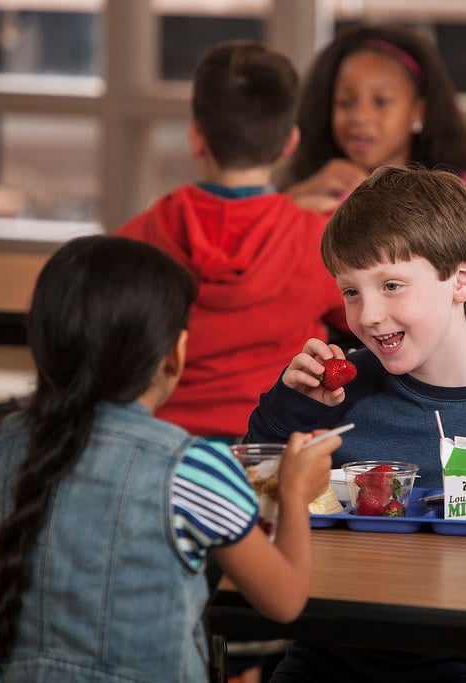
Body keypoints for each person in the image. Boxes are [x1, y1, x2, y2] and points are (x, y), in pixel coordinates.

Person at [248, 165, 466, 682]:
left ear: (461, 280)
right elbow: (257, 496)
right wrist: (293, 405)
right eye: (351, 292)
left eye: (391, 285)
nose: (369, 314)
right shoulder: (338, 395)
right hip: (331, 659)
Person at [0, 236, 342, 682]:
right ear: (174, 355)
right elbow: (284, 600)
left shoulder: (10, 444)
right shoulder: (194, 466)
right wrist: (294, 490)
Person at [116, 40, 351, 440]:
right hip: (275, 451)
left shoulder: (134, 241)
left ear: (196, 139)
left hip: (161, 450)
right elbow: (366, 317)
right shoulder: (319, 241)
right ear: (289, 143)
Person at [277, 23, 466, 290]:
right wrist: (297, 198)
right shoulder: (313, 189)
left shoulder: (465, 191)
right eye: (345, 103)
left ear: (419, 111)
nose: (359, 117)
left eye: (381, 101)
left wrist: (430, 255)